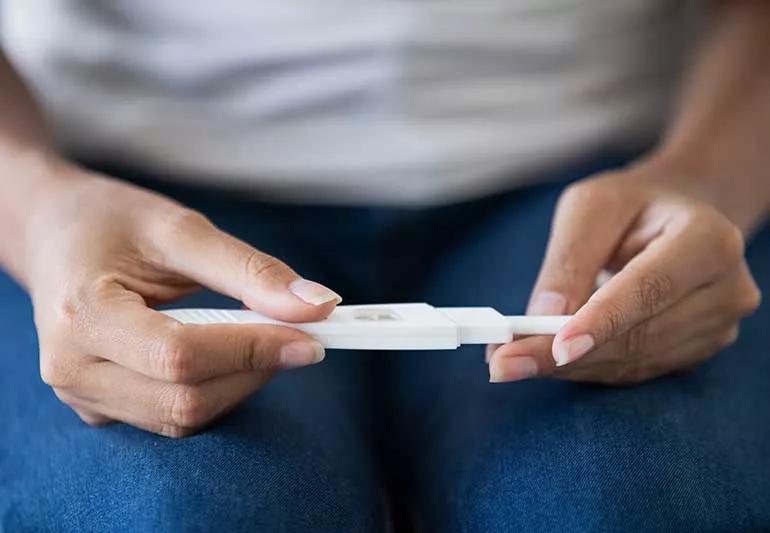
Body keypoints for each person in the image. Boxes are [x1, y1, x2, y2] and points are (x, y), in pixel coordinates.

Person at [1, 1, 768, 531]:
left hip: (605, 181)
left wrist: (707, 177)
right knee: (181, 513)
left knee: (623, 501)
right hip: (126, 206)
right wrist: (36, 206)